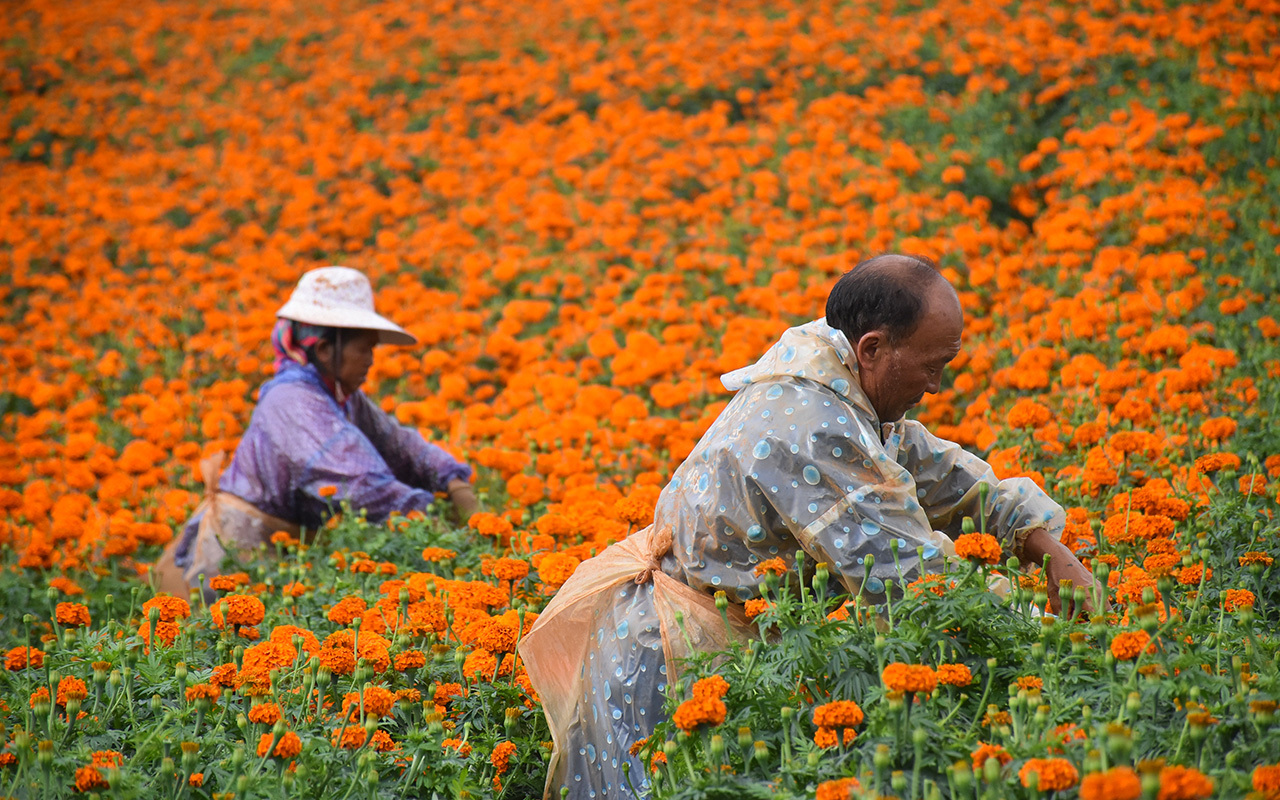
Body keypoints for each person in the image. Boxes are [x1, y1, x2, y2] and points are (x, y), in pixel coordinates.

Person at [519, 254, 1105, 800]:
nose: (936, 386)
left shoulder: (843, 380)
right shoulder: (813, 427)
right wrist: (1052, 638)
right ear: (873, 347)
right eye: (933, 366)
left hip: (725, 651)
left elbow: (940, 472)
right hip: (676, 666)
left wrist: (1045, 545)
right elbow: (909, 579)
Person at [153, 266, 480, 599]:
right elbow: (360, 484)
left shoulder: (340, 396)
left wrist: (451, 480)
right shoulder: (294, 401)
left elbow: (398, 444)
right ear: (325, 349)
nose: (371, 360)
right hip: (236, 555)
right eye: (364, 349)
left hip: (279, 554)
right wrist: (440, 522)